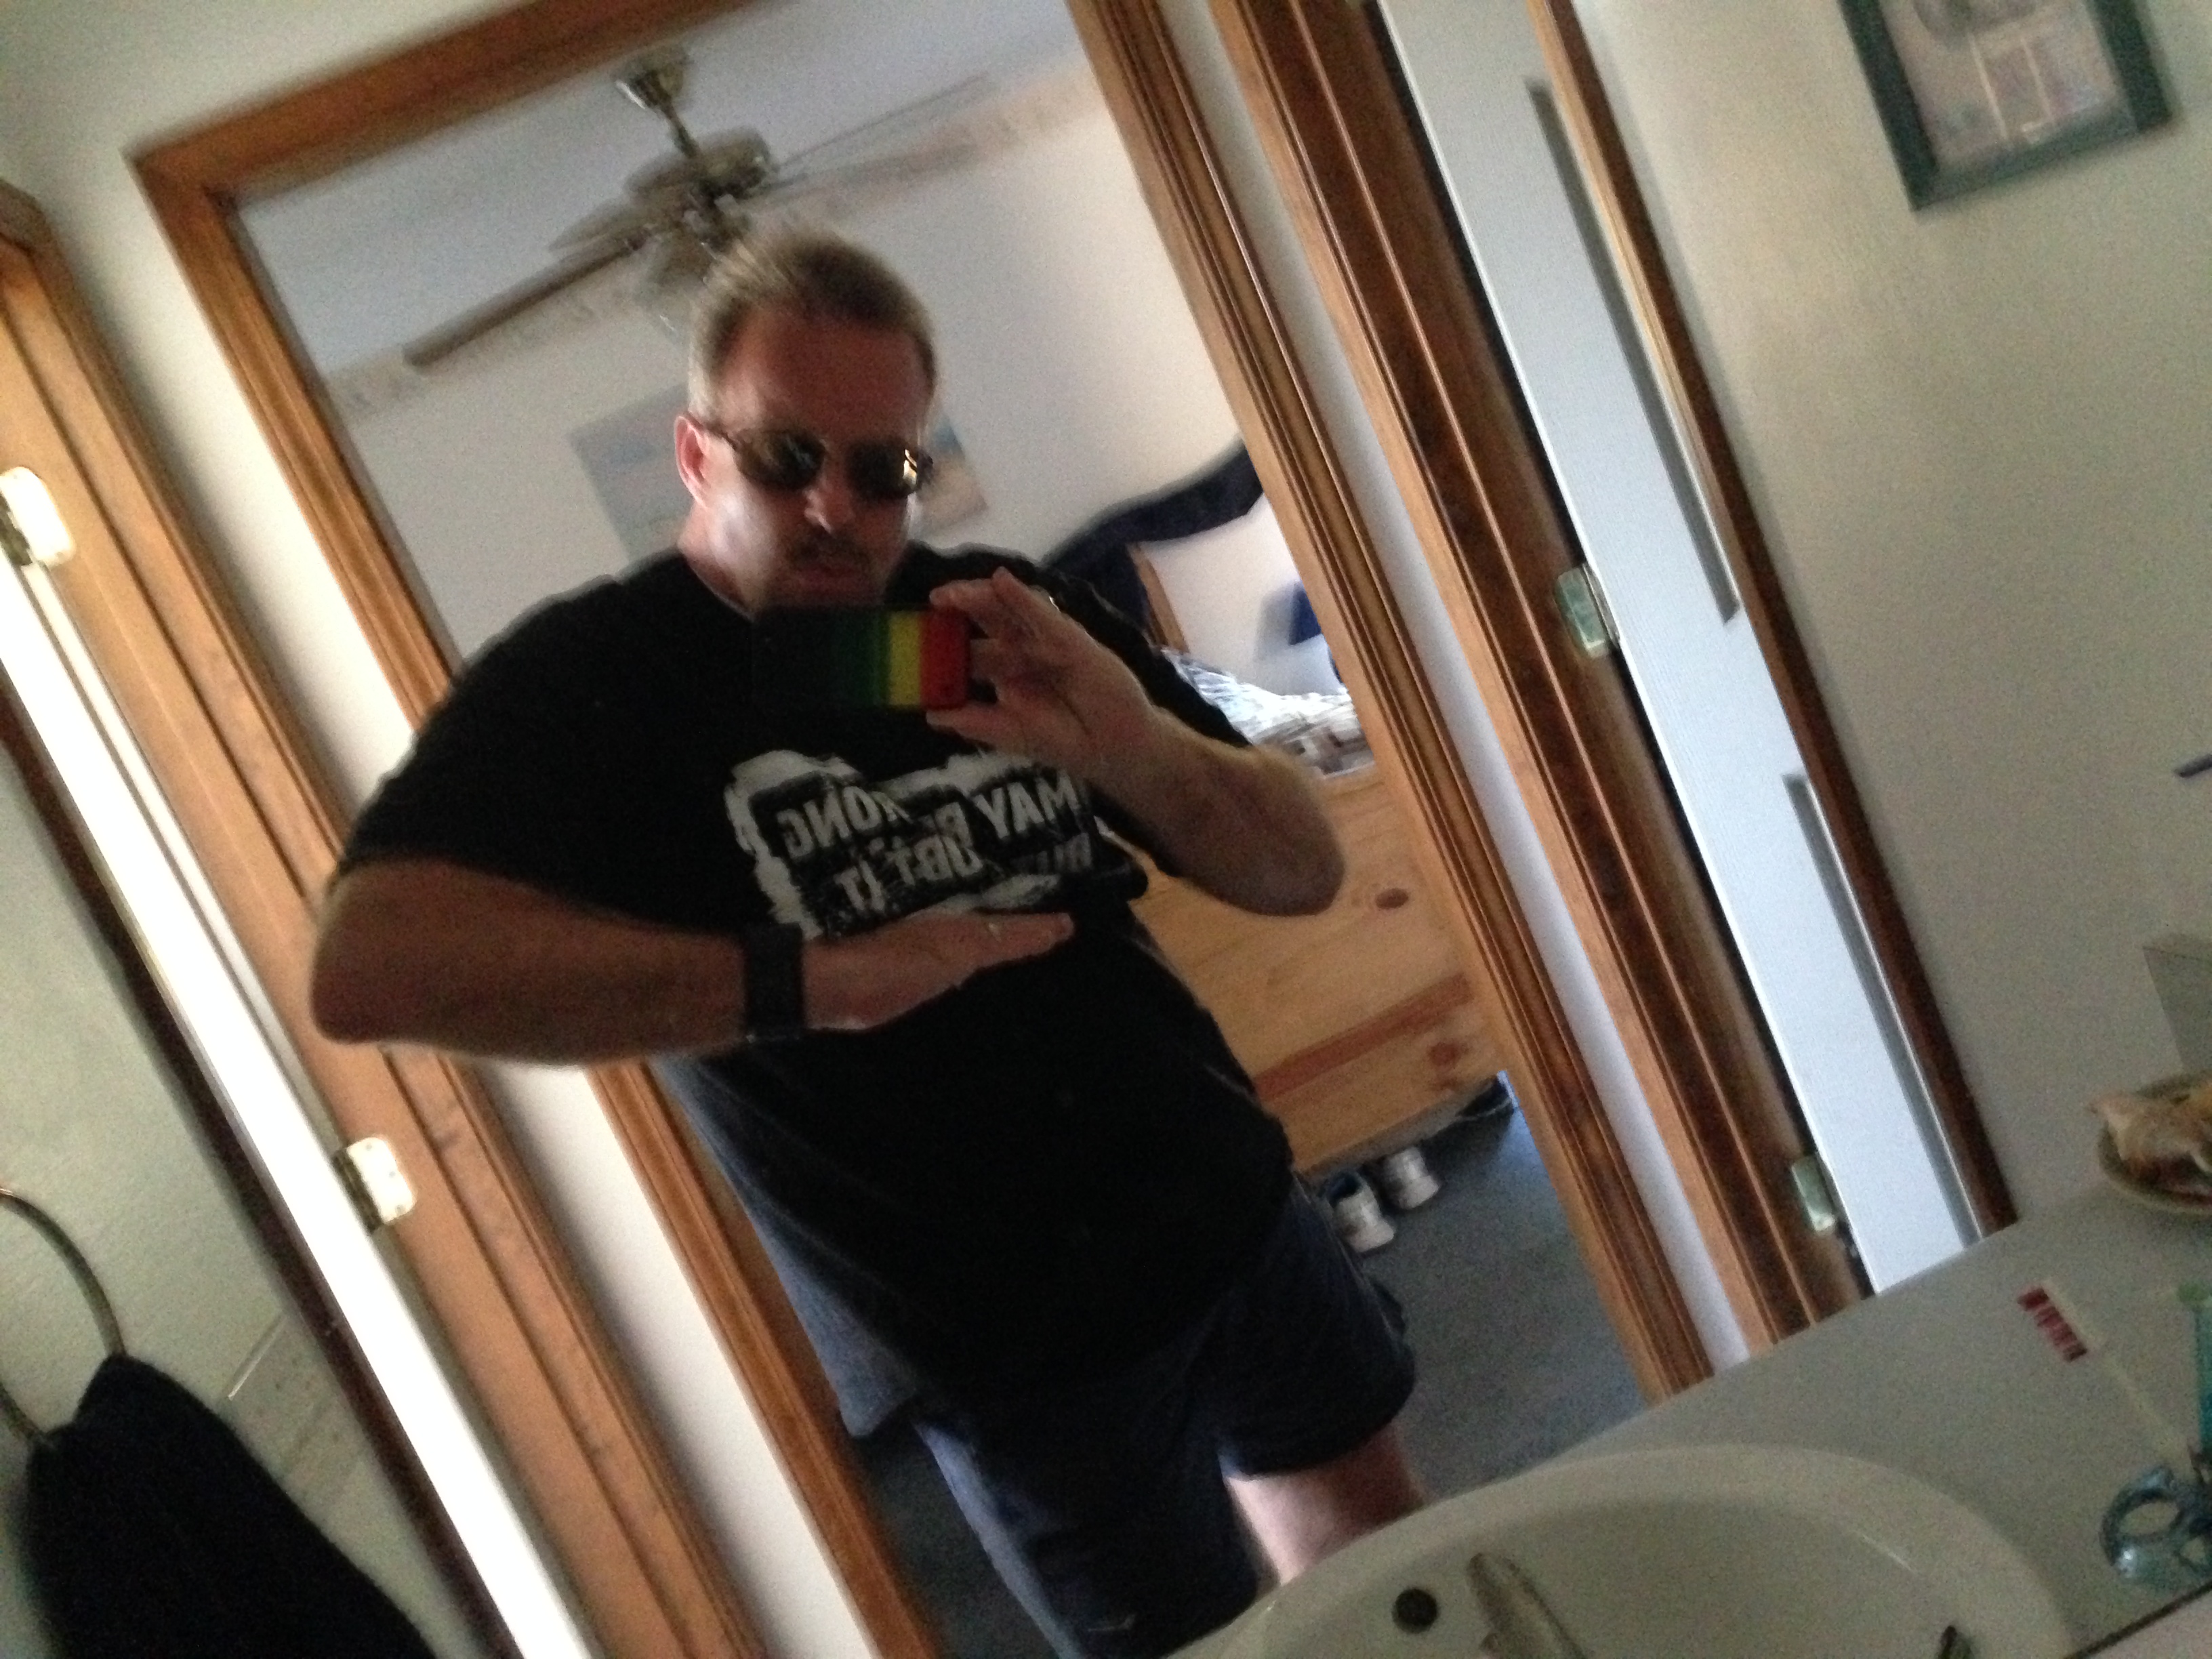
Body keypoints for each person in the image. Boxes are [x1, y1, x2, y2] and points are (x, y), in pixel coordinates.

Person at [310, 230, 1423, 1658]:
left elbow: (1300, 870)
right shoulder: (601, 684)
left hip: (1231, 1211)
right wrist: (804, 982)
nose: (837, 509)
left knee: (1400, 1585)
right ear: (698, 455)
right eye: (787, 460)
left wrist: (1128, 741)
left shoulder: (992, 618)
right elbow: (372, 965)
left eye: (882, 469)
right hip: (1013, 1342)